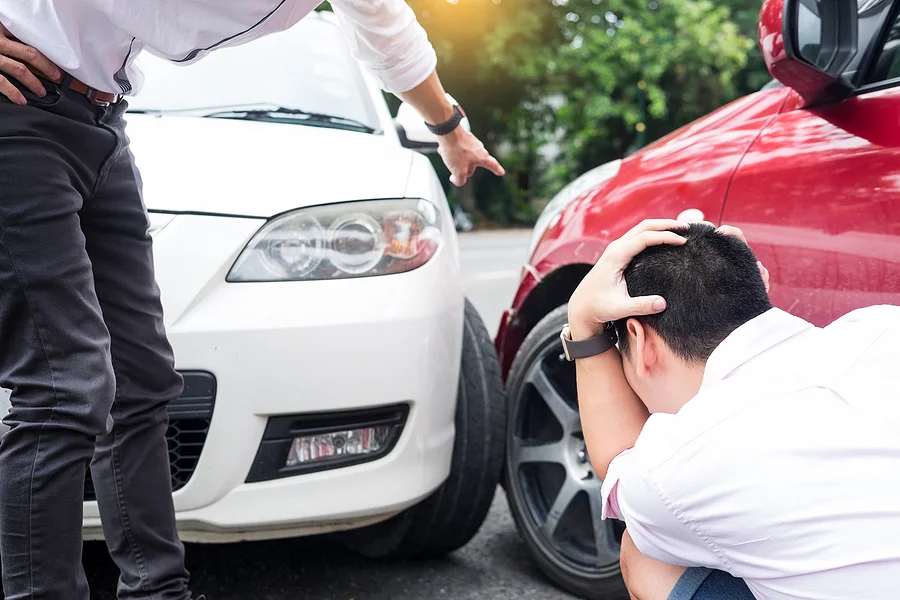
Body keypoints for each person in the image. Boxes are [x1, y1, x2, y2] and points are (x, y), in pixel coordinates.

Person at [0, 2, 504, 599]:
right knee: (65, 387)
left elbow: (385, 27)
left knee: (143, 381)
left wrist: (448, 127)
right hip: (21, 113)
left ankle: (160, 592)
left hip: (101, 117)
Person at [565, 220, 900, 600]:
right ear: (756, 288)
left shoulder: (676, 467)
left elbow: (620, 465)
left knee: (646, 557)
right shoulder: (883, 325)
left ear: (640, 342)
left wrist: (583, 323)